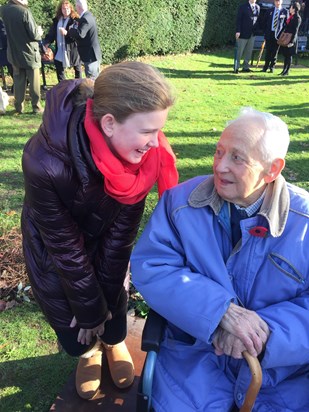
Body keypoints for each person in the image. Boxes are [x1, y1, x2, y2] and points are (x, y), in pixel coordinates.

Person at [131, 108, 309, 412]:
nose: (220, 166)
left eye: (237, 158)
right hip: (194, 365)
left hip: (283, 378)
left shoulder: (304, 222)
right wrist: (219, 312)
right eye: (219, 151)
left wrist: (265, 335)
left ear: (272, 169)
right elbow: (152, 266)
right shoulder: (180, 204)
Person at [21, 61, 178, 400]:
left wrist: (104, 309)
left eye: (159, 130)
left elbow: (121, 237)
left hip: (104, 234)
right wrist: (90, 312)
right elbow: (63, 246)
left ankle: (113, 341)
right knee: (73, 323)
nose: (156, 144)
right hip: (56, 247)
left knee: (113, 301)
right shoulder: (43, 162)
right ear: (109, 123)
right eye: (147, 131)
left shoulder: (141, 161)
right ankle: (89, 353)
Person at [0, 0, 43, 114]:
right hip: (29, 51)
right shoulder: (24, 11)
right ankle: (36, 107)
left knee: (18, 79)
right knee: (34, 80)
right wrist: (40, 32)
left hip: (13, 51)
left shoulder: (4, 10)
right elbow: (34, 35)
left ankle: (19, 107)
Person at [44, 0, 82, 83]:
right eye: (64, 9)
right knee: (59, 68)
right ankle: (62, 87)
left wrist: (67, 33)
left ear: (71, 9)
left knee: (77, 68)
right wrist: (46, 43)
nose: (66, 10)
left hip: (73, 49)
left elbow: (78, 35)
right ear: (60, 10)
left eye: (68, 8)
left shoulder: (75, 20)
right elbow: (51, 34)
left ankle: (79, 87)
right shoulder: (57, 20)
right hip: (60, 49)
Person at [62, 0, 101, 79]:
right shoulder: (88, 15)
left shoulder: (85, 18)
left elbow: (80, 34)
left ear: (78, 7)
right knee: (93, 78)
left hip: (91, 56)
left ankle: (94, 91)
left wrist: (69, 30)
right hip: (92, 54)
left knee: (92, 79)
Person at [261, 0, 288, 73]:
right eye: (276, 1)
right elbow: (264, 21)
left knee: (275, 51)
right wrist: (265, 32)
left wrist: (282, 34)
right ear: (274, 2)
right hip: (269, 33)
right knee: (268, 51)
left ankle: (272, 67)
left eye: (279, 1)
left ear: (281, 2)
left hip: (278, 35)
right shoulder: (269, 10)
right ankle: (265, 67)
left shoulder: (285, 11)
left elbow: (286, 24)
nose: (277, 3)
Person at [234, 0, 260, 73]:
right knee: (240, 51)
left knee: (249, 51)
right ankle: (236, 67)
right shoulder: (243, 7)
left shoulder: (258, 7)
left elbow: (257, 20)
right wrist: (238, 31)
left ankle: (246, 67)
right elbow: (238, 20)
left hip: (252, 33)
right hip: (243, 33)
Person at [279, 2, 302, 76]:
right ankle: (284, 70)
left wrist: (292, 41)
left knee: (289, 55)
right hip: (286, 38)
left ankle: (287, 71)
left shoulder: (297, 18)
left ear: (294, 9)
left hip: (291, 39)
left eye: (291, 8)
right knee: (286, 55)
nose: (289, 9)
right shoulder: (291, 17)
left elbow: (295, 30)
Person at [0, 18, 13, 91]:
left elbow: (3, 33)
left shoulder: (1, 21)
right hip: (4, 48)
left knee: (10, 66)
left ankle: (21, 84)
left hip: (3, 49)